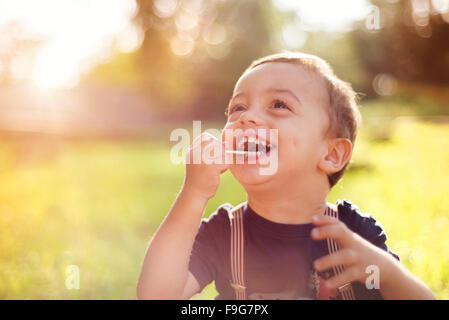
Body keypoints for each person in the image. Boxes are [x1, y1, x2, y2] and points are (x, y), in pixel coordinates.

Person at [136, 51, 435, 300]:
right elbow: (156, 295)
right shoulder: (224, 234)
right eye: (237, 108)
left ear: (331, 154)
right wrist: (194, 193)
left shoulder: (353, 234)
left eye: (279, 105)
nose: (245, 117)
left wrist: (384, 271)